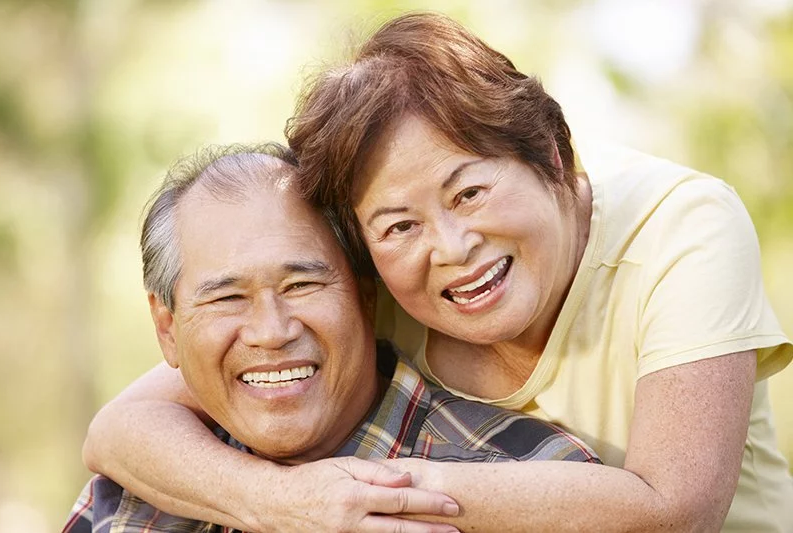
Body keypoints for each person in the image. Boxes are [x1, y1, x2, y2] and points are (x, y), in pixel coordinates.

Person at [83, 12, 793, 533]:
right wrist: (281, 500)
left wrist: (359, 494)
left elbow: (678, 510)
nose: (451, 247)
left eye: (469, 193)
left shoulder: (681, 227)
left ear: (551, 155)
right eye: (398, 224)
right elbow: (121, 427)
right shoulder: (381, 279)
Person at [65, 144, 598, 533]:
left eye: (302, 285)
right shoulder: (135, 495)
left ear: (368, 297)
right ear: (167, 329)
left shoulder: (537, 483)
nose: (272, 332)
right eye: (227, 298)